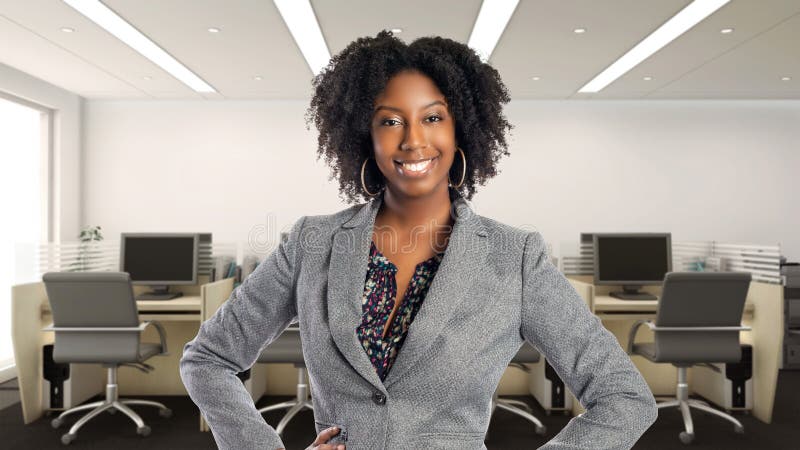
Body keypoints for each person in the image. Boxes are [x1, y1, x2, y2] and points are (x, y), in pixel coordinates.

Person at [180, 31, 657, 450]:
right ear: (364, 136)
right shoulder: (312, 243)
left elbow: (625, 398)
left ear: (461, 129)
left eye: (432, 118)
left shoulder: (515, 259)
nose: (412, 140)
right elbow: (207, 358)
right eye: (390, 121)